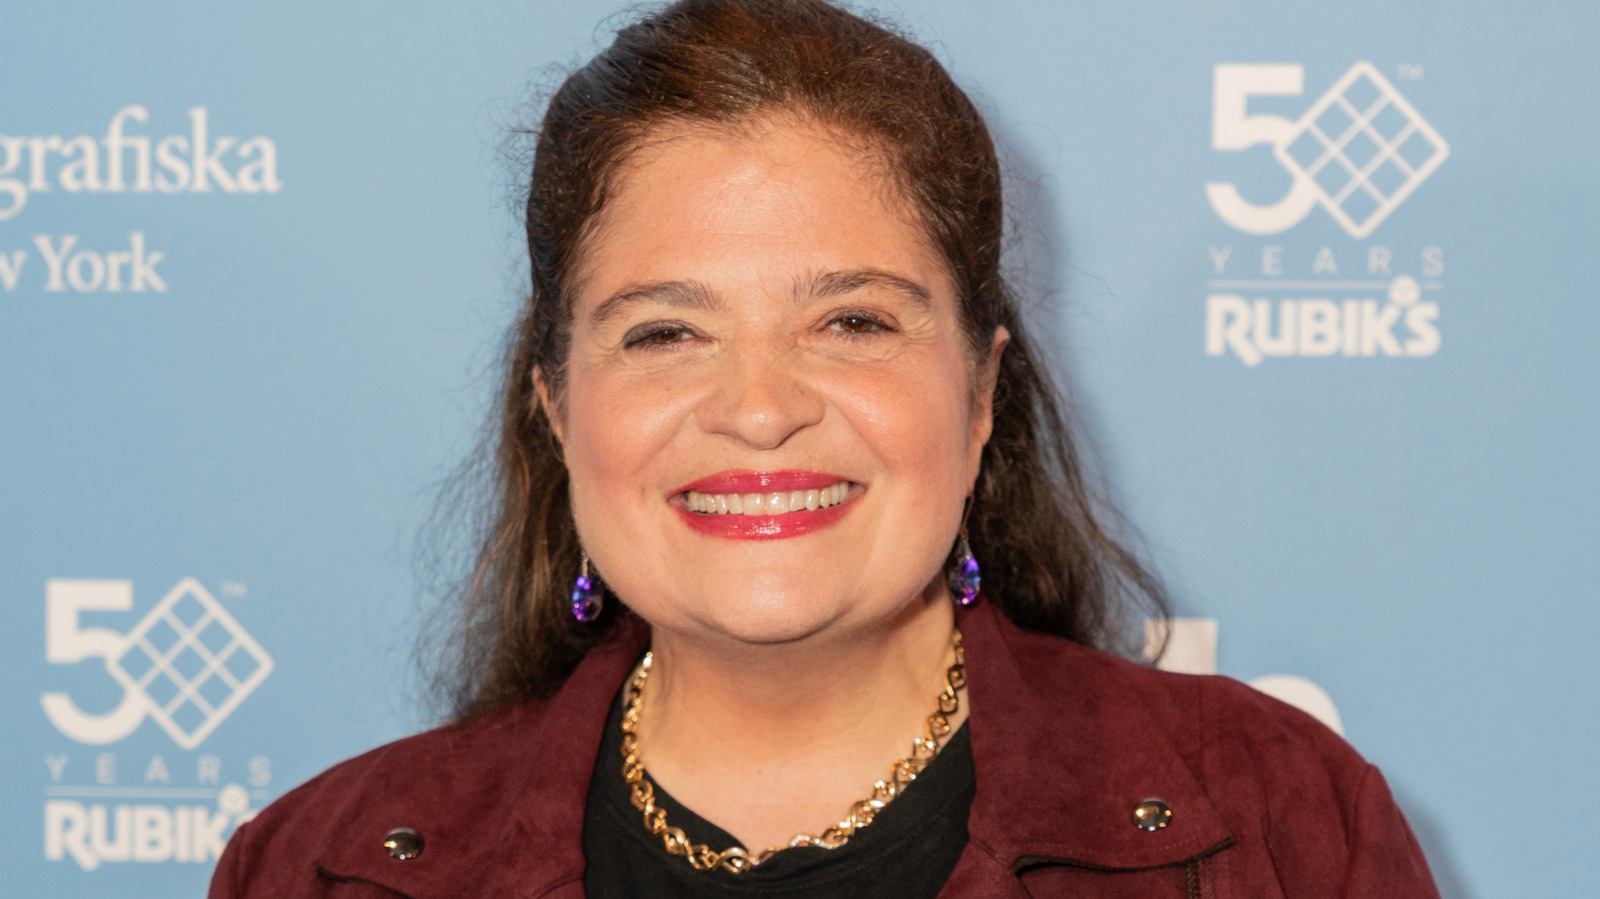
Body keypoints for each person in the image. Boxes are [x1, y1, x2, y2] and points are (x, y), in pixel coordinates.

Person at [209, 1, 1441, 896]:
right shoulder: (318, 866)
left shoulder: (1280, 826)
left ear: (979, 392)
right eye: (664, 332)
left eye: (851, 322)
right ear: (554, 405)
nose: (758, 408)